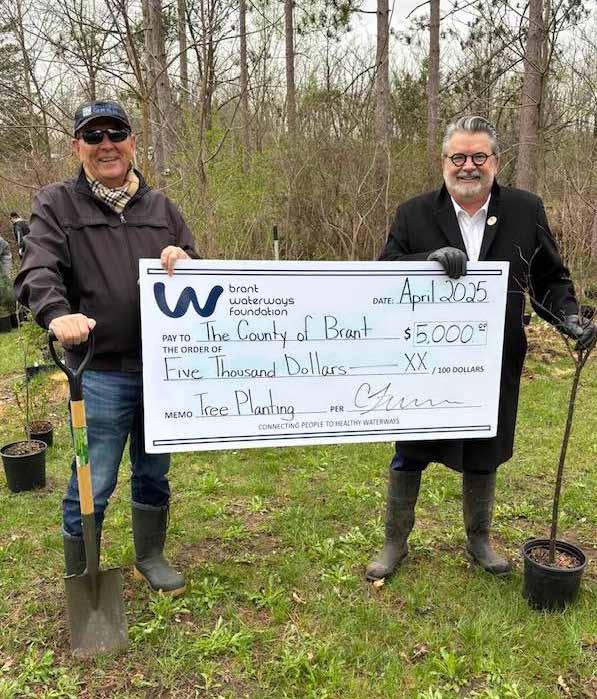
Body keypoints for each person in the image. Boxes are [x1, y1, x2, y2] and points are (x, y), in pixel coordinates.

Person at [366, 115, 596, 581]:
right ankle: (395, 541)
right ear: (443, 162)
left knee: (484, 449)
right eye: (458, 157)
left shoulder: (525, 209)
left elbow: (548, 278)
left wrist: (568, 316)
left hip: (494, 359)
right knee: (411, 450)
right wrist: (426, 261)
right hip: (423, 361)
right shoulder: (413, 213)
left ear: (496, 161)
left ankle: (478, 539)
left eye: (478, 156)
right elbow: (385, 272)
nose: (467, 166)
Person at [15, 99, 198, 596]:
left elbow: (198, 274)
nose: (106, 145)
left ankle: (150, 556)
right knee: (92, 479)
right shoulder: (57, 204)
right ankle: (85, 575)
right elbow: (37, 268)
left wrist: (185, 260)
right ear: (78, 146)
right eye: (93, 136)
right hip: (98, 372)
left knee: (154, 470)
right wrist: (57, 313)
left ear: (132, 142)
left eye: (115, 133)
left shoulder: (162, 209)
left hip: (163, 370)